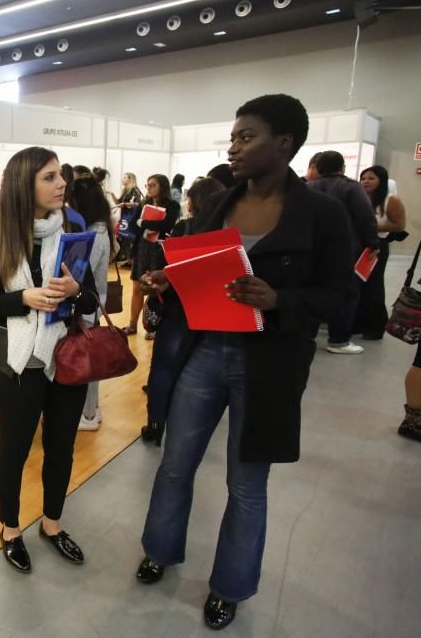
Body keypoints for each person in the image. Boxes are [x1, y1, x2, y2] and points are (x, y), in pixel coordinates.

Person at [135, 94, 354, 630]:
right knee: (174, 465)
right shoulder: (219, 205)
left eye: (246, 136)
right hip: (206, 350)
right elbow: (204, 267)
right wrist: (170, 278)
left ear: (284, 143)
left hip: (269, 364)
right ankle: (160, 549)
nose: (233, 147)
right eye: (233, 137)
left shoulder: (321, 213)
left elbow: (342, 295)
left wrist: (280, 300)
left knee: (246, 485)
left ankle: (230, 585)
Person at [0, 146, 93, 573]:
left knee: (61, 449)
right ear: (26, 184)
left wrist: (77, 292)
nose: (62, 183)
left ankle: (52, 525)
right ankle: (10, 528)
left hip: (66, 361)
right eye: (50, 177)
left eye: (61, 175)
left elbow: (92, 296)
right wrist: (22, 297)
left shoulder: (73, 229)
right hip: (17, 366)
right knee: (15, 451)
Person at [140, 177, 225, 446]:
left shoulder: (184, 229)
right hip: (213, 316)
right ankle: (189, 429)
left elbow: (163, 267)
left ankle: (155, 424)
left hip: (177, 310)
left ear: (193, 202)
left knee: (163, 370)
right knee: (202, 374)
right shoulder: (228, 233)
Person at [306, 150, 380, 354]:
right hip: (345, 249)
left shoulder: (307, 187)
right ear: (342, 167)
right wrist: (373, 242)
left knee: (313, 290)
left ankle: (307, 336)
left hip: (312, 249)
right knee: (347, 293)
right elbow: (364, 216)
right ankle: (338, 340)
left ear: (317, 168)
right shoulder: (350, 187)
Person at [68, 181, 114, 432]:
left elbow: (80, 271)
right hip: (95, 303)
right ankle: (91, 409)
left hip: (88, 306)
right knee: (90, 360)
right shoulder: (103, 229)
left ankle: (87, 413)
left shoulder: (93, 235)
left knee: (85, 362)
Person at [125, 175, 180, 338]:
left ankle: (152, 327)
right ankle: (132, 324)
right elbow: (134, 226)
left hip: (159, 250)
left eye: (152, 185)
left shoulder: (172, 205)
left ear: (162, 186)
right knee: (137, 288)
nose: (148, 188)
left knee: (155, 288)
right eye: (147, 185)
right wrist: (144, 225)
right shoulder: (144, 203)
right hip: (142, 247)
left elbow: (167, 225)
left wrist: (146, 223)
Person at [356, 165, 405, 339]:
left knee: (373, 287)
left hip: (377, 246)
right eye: (363, 178)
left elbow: (399, 225)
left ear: (381, 180)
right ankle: (358, 324)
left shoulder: (391, 200)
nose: (366, 182)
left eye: (371, 178)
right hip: (359, 245)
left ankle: (375, 327)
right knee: (358, 286)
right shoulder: (359, 197)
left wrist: (373, 227)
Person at [116, 172, 143, 265]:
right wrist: (111, 194)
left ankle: (130, 259)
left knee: (128, 236)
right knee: (122, 236)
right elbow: (118, 203)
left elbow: (138, 203)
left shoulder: (134, 190)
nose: (122, 179)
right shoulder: (125, 191)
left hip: (131, 217)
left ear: (130, 179)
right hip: (124, 216)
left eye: (125, 178)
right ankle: (126, 258)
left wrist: (125, 204)